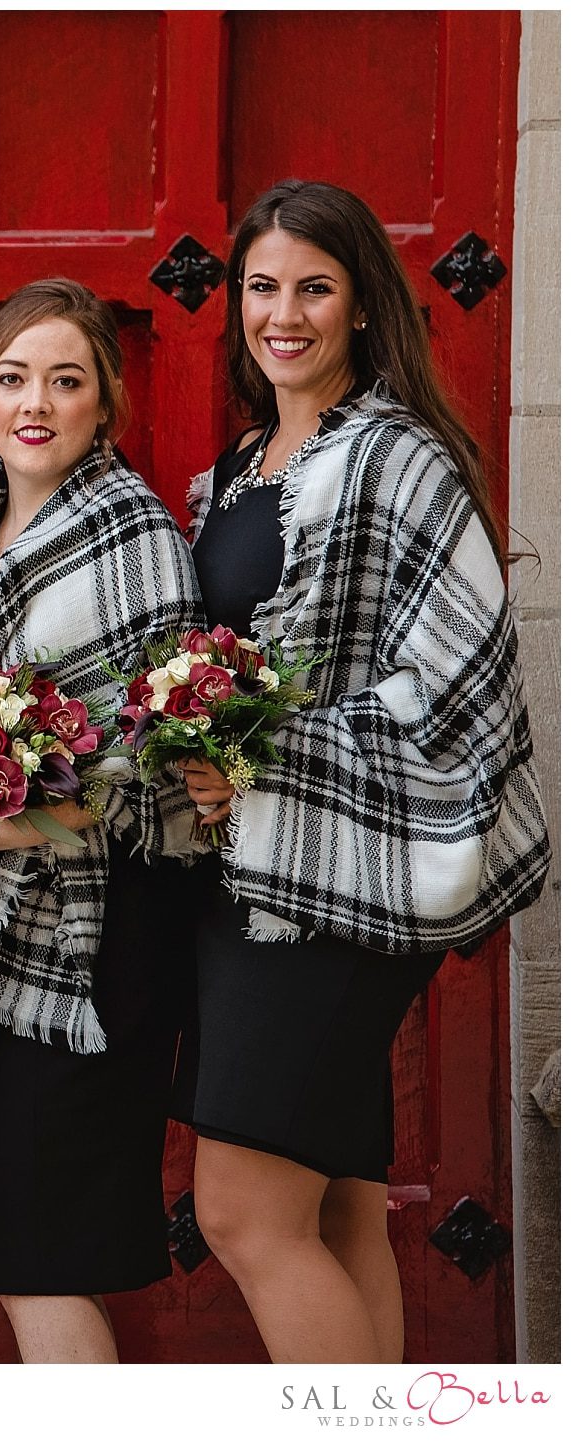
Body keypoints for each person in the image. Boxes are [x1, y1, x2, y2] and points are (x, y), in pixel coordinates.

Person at [175, 179, 551, 1364]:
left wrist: (262, 756)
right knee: (336, 1208)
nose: (280, 315)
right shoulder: (241, 466)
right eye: (260, 287)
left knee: (240, 1211)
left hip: (337, 889)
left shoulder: (397, 461)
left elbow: (462, 687)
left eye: (312, 288)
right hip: (253, 879)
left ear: (361, 306)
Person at [0, 278, 203, 1363]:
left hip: (98, 943)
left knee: (40, 1253)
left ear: (105, 403)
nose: (33, 403)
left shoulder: (135, 534)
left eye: (64, 380)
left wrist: (20, 828)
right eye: (11, 377)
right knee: (20, 1241)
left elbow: (157, 753)